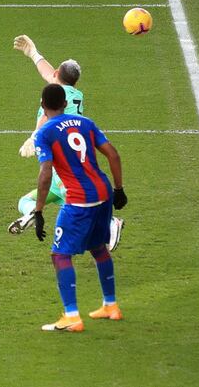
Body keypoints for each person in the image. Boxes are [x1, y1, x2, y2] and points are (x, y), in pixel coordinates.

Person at [7, 35, 124, 251]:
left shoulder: (57, 98)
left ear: (58, 75)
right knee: (25, 201)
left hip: (63, 164)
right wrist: (34, 54)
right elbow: (48, 73)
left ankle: (110, 223)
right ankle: (32, 214)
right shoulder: (72, 92)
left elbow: (46, 116)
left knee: (79, 206)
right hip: (65, 163)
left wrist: (33, 137)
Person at [29, 84, 128, 332]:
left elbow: (45, 174)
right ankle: (111, 306)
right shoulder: (85, 123)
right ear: (65, 103)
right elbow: (113, 155)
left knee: (60, 255)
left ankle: (72, 316)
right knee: (98, 247)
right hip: (103, 192)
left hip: (79, 199)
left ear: (42, 105)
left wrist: (39, 210)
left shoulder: (44, 133)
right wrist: (119, 189)